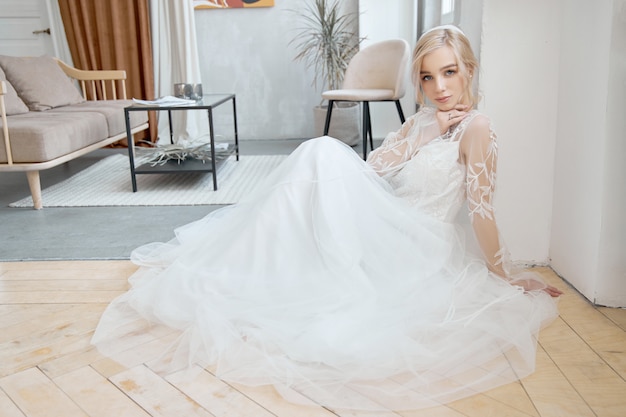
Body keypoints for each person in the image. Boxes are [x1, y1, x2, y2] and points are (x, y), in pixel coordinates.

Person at [92, 25, 561, 411]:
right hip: (385, 217)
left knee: (318, 153)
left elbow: (481, 209)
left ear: (469, 72)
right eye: (427, 78)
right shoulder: (423, 120)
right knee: (316, 160)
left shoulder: (477, 128)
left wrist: (505, 273)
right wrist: (422, 134)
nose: (439, 88)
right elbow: (374, 169)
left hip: (416, 243)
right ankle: (240, 265)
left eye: (450, 73)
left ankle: (239, 265)